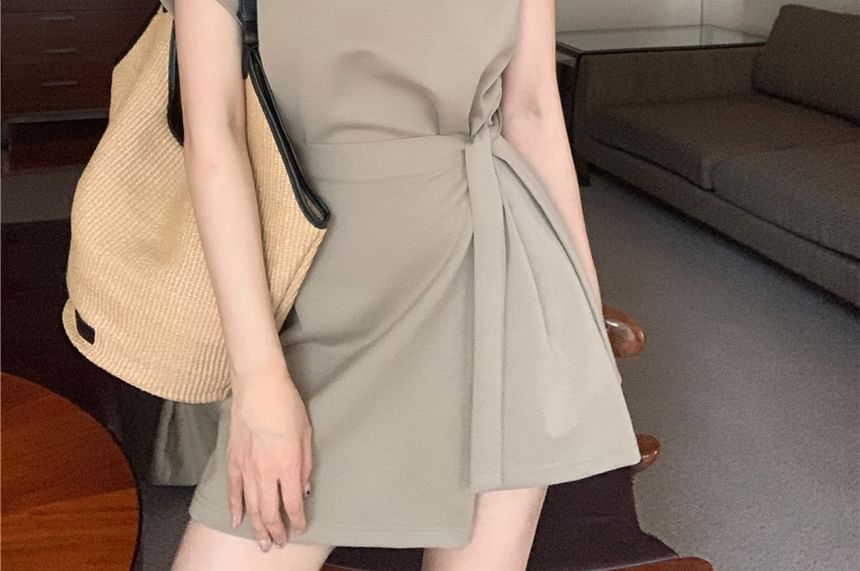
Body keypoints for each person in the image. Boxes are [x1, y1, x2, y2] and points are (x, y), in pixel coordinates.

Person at [160, 0, 643, 569]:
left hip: (495, 274)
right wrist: (257, 377)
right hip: (321, 292)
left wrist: (580, 321)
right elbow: (216, 136)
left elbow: (533, 111)